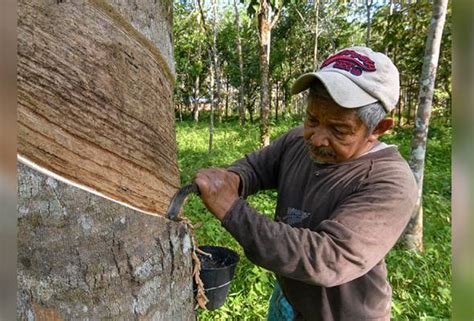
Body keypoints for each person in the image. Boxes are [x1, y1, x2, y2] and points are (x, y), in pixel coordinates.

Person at [194, 46, 418, 321]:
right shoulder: (297, 141)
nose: (316, 138)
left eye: (339, 130)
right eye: (312, 119)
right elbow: (256, 167)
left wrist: (232, 210)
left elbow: (327, 259)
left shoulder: (390, 182)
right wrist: (231, 179)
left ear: (378, 128)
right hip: (289, 296)